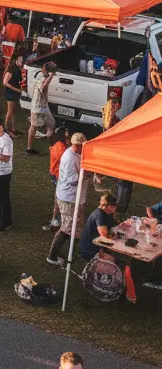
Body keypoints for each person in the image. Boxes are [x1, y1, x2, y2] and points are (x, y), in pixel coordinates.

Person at [47, 132, 90, 266]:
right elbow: (72, 180)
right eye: (82, 145)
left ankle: (75, 249)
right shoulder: (70, 158)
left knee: (75, 226)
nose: (84, 147)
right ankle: (52, 257)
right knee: (66, 228)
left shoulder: (76, 153)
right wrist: (89, 174)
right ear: (75, 145)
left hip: (73, 197)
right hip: (68, 198)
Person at [27, 62, 56, 155]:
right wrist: (50, 78)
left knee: (51, 124)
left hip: (43, 106)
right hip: (37, 107)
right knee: (34, 127)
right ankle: (29, 148)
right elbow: (43, 87)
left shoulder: (43, 77)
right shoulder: (43, 78)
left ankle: (53, 147)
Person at [79, 193, 117, 262]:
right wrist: (114, 236)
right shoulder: (99, 214)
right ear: (108, 206)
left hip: (97, 244)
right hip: (89, 249)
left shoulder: (106, 213)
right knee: (113, 260)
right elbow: (104, 234)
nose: (116, 209)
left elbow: (110, 225)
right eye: (114, 207)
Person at [1, 50, 25, 138]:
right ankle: (6, 130)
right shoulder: (11, 69)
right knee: (10, 112)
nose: (21, 62)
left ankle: (14, 129)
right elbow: (5, 82)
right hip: (11, 93)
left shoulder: (18, 69)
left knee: (14, 111)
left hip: (16, 93)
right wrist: (15, 89)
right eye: (19, 60)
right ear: (15, 60)